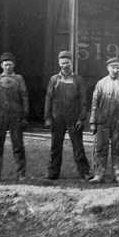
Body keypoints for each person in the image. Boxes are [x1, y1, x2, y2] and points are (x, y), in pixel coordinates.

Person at [44, 50, 91, 181]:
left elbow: (83, 101)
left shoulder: (78, 80)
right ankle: (53, 172)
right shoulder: (54, 80)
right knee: (55, 146)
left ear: (71, 63)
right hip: (57, 117)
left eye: (67, 63)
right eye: (63, 63)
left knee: (78, 146)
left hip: (73, 119)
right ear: (59, 63)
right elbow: (48, 99)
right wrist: (47, 118)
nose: (65, 65)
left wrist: (82, 118)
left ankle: (84, 172)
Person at [0, 52, 29, 183]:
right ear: (1, 65)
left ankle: (21, 174)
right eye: (6, 65)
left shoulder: (19, 79)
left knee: (18, 146)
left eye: (10, 64)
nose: (8, 67)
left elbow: (25, 97)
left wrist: (25, 115)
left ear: (13, 65)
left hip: (16, 116)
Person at [89, 56, 119, 184]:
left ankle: (118, 173)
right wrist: (92, 122)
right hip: (103, 120)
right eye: (113, 67)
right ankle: (99, 174)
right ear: (108, 68)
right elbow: (95, 103)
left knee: (117, 148)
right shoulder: (101, 83)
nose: (115, 70)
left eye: (117, 67)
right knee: (101, 148)